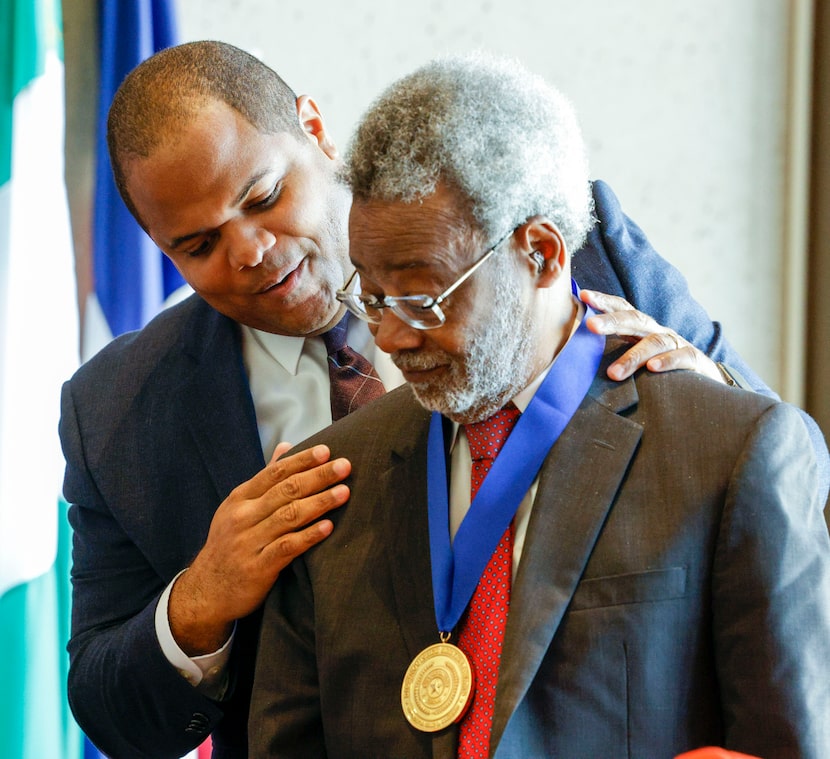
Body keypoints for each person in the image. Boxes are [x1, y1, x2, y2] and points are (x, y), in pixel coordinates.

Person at [58, 41, 828, 759]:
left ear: (314, 131)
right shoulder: (118, 411)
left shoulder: (574, 242)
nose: (251, 250)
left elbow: (771, 489)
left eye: (263, 197)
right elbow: (108, 707)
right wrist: (200, 599)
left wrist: (711, 384)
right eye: (198, 245)